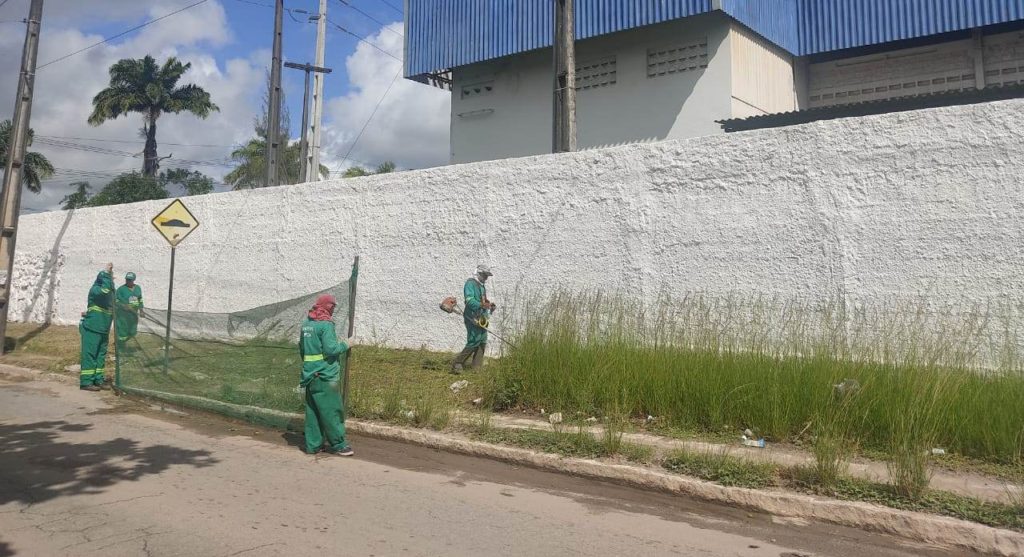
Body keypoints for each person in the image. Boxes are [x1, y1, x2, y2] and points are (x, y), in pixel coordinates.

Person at [299, 294, 353, 456]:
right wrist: (346, 344)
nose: (334, 309)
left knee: (313, 412)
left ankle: (313, 445)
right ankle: (339, 445)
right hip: (325, 375)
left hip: (310, 375)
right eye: (332, 306)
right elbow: (331, 350)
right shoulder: (326, 325)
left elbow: (302, 350)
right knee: (331, 411)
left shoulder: (306, 324)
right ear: (327, 306)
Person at [451, 265, 495, 374]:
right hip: (472, 316)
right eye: (484, 275)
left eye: (487, 276)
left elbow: (482, 299)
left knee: (483, 340)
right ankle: (458, 363)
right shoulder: (470, 284)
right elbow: (469, 301)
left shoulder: (481, 286)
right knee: (474, 340)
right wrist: (482, 305)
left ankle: (476, 367)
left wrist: (489, 305)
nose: (486, 278)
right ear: (478, 273)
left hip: (482, 317)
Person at [79, 263, 115, 391]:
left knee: (100, 356)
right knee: (90, 355)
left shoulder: (110, 294)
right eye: (108, 280)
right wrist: (106, 273)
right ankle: (86, 382)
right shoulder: (96, 290)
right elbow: (105, 291)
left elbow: (113, 302)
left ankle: (98, 379)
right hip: (92, 328)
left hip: (103, 329)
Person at [115, 272, 144, 346]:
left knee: (133, 331)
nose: (128, 281)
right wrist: (123, 306)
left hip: (133, 314)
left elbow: (140, 299)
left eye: (130, 280)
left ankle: (123, 342)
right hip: (123, 315)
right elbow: (115, 300)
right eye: (127, 279)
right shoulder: (121, 289)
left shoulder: (138, 288)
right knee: (123, 331)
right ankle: (121, 346)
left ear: (134, 280)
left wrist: (141, 310)